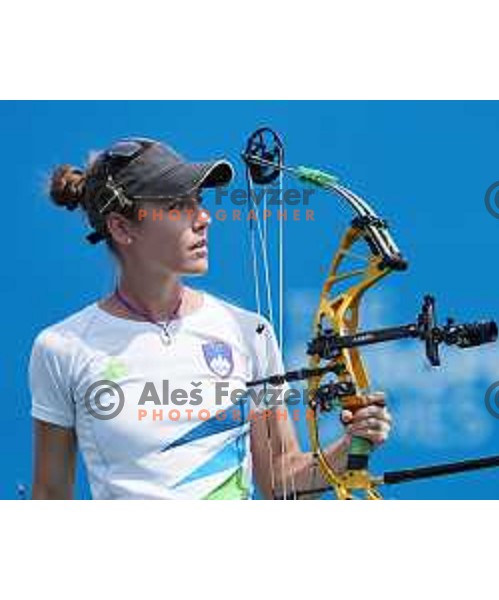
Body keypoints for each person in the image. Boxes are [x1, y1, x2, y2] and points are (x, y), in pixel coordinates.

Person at [29, 136, 392, 500]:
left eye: (198, 201)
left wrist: (351, 447)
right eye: (176, 205)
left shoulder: (250, 331)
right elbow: (50, 495)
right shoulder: (61, 347)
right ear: (122, 228)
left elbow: (282, 479)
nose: (204, 218)